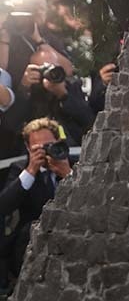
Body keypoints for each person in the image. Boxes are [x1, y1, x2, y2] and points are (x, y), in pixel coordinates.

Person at [0, 118, 73, 278]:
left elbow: (86, 200)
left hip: (69, 232)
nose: (46, 151)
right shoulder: (20, 168)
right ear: (28, 147)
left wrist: (67, 174)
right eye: (39, 148)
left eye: (50, 145)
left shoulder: (72, 164)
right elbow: (4, 206)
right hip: (32, 240)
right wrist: (31, 171)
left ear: (58, 141)